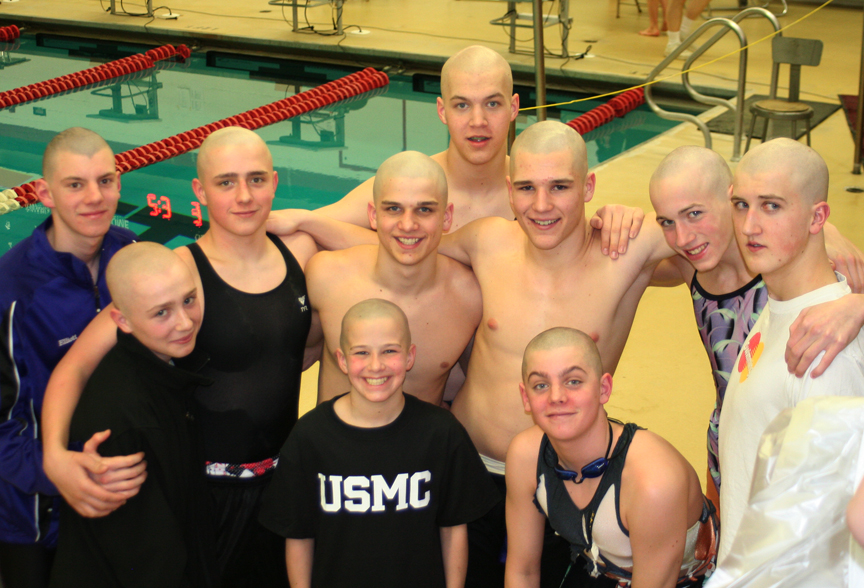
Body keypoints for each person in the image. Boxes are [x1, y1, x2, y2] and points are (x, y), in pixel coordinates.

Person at [40, 127, 319, 588]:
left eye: (256, 179)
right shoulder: (180, 276)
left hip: (280, 485)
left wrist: (311, 219)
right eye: (226, 182)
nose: (244, 196)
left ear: (274, 181)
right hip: (207, 491)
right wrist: (53, 455)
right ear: (200, 192)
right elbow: (78, 364)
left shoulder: (301, 255)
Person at [648, 145, 864, 511]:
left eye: (695, 214)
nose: (684, 238)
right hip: (733, 446)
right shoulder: (701, 265)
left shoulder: (810, 301)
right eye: (668, 222)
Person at [258, 298, 498, 588]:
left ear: (410, 356)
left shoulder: (441, 433)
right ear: (342, 360)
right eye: (361, 352)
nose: (376, 365)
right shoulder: (310, 436)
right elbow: (298, 535)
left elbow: (453, 529)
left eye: (389, 351)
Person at [0, 128, 138, 588]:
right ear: (45, 193)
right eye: (75, 184)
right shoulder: (13, 292)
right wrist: (59, 472)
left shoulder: (131, 255)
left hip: (121, 497)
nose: (95, 197)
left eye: (105, 180)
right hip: (37, 518)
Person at [716, 138, 864, 564]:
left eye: (772, 206)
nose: (748, 227)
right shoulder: (782, 308)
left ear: (819, 217)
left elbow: (826, 538)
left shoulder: (825, 351)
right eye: (741, 205)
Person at [50, 243, 215, 588]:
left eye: (188, 300)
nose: (185, 323)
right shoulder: (124, 423)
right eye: (161, 313)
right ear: (122, 321)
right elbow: (151, 561)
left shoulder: (159, 372)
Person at [506, 327, 717, 588]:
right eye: (541, 385)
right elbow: (522, 572)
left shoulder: (653, 481)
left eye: (573, 381)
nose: (556, 397)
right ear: (526, 398)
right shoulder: (524, 456)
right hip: (601, 571)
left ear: (604, 389)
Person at [306, 151, 481, 405]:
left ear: (446, 217)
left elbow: (475, 389)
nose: (408, 225)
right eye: (394, 209)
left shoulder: (470, 299)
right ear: (374, 215)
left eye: (424, 209)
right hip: (333, 443)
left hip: (417, 444)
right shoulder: (325, 276)